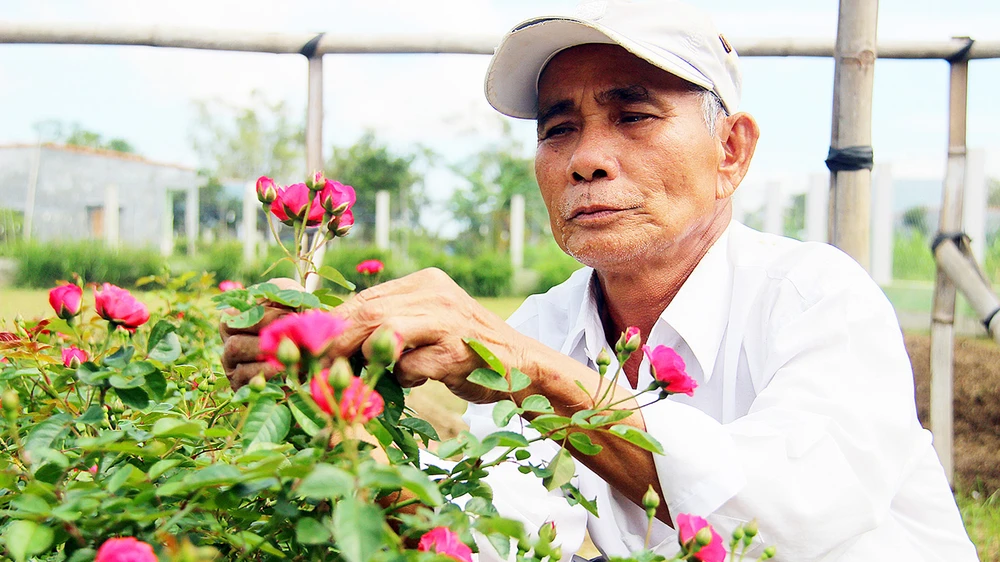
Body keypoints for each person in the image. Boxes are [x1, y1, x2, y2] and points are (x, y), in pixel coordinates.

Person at [222, 1, 979, 559]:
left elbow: (781, 519)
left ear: (731, 151)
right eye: (558, 129)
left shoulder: (818, 299)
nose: (586, 158)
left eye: (635, 115)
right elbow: (503, 535)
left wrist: (534, 374)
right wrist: (347, 431)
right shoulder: (549, 326)